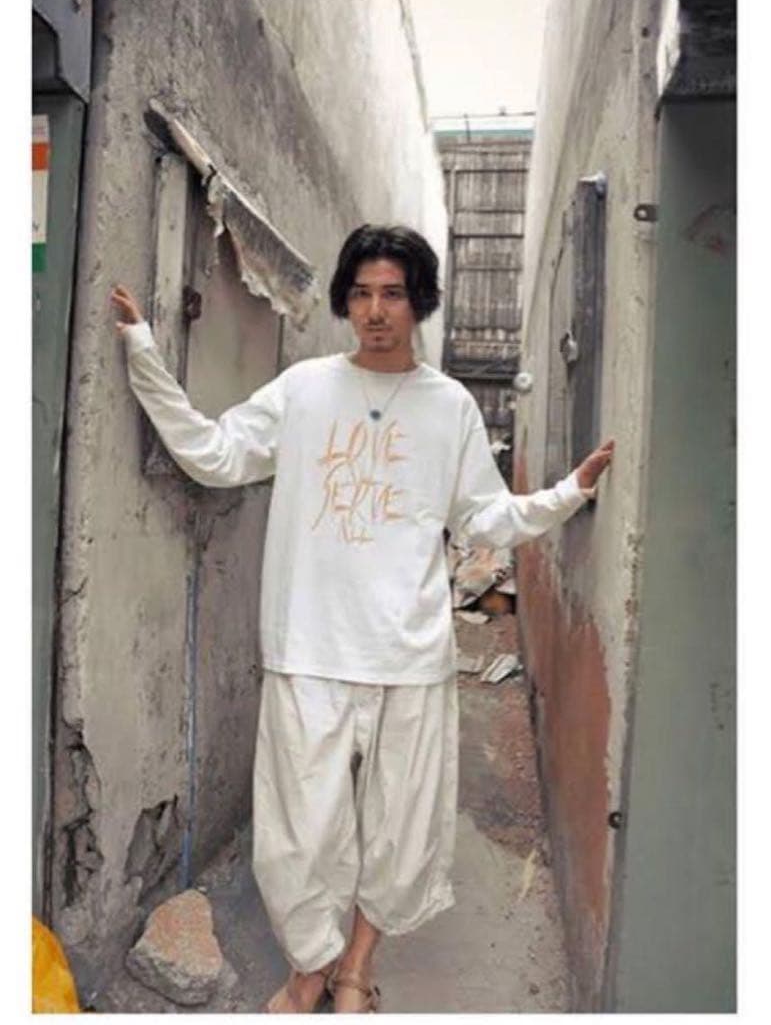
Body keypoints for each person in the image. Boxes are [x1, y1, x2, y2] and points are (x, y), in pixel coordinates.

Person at [111, 224, 614, 1013]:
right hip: (307, 645)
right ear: (345, 302)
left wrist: (566, 493)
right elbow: (215, 455)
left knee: (399, 830)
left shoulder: (448, 406)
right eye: (361, 294)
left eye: (392, 295)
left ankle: (354, 969)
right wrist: (144, 353)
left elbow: (483, 518)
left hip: (407, 653)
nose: (376, 311)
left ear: (418, 303)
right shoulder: (303, 390)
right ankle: (308, 965)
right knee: (298, 836)